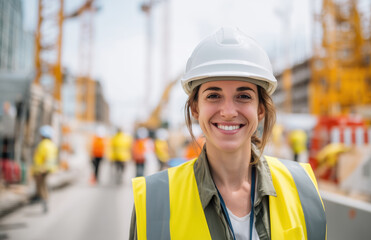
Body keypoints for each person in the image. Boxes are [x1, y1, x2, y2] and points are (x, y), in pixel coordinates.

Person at [130, 27, 326, 239]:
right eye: (214, 95)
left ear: (260, 109)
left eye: (243, 96)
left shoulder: (302, 187)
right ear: (195, 108)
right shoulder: (155, 200)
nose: (229, 112)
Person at [32, 125, 58, 213]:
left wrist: (40, 170)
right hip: (49, 169)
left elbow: (43, 158)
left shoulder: (43, 144)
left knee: (42, 186)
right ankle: (44, 199)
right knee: (44, 185)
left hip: (42, 169)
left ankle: (44, 201)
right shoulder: (52, 145)